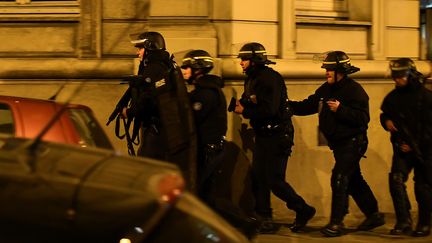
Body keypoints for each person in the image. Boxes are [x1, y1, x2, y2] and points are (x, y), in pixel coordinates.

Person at [288, 51, 385, 237]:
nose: (326, 73)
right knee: (354, 180)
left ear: (340, 71)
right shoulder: (326, 89)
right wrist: (285, 106)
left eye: (330, 70)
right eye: (326, 69)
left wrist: (341, 110)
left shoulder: (355, 90)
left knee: (339, 177)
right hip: (339, 144)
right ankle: (374, 215)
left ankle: (336, 223)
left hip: (353, 142)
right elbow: (308, 105)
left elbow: (363, 119)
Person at [233, 42, 315, 233]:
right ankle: (264, 217)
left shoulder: (269, 79)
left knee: (274, 180)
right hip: (264, 134)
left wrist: (245, 110)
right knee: (258, 177)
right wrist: (242, 104)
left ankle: (303, 209)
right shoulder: (252, 78)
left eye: (244, 59)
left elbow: (269, 109)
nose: (241, 63)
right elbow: (252, 100)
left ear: (255, 61)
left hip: (278, 135)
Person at [181, 50, 259, 238]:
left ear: (197, 70)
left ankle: (244, 223)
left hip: (209, 150)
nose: (183, 71)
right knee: (205, 196)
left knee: (201, 195)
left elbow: (191, 118)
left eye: (186, 67)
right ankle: (240, 224)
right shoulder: (205, 91)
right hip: (210, 149)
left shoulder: (205, 94)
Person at [116, 31, 198, 189]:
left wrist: (130, 112)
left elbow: (148, 101)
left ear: (149, 48)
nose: (137, 52)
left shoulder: (154, 69)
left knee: (146, 171)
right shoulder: (163, 66)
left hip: (157, 132)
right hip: (163, 130)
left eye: (140, 49)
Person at [380, 58, 432, 237]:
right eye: (395, 77)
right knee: (396, 179)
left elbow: (429, 127)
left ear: (409, 75)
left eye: (400, 77)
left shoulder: (426, 97)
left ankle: (424, 223)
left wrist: (415, 145)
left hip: (424, 150)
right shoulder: (394, 97)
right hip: (401, 147)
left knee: (423, 186)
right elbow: (385, 113)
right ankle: (404, 220)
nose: (396, 80)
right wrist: (386, 121)